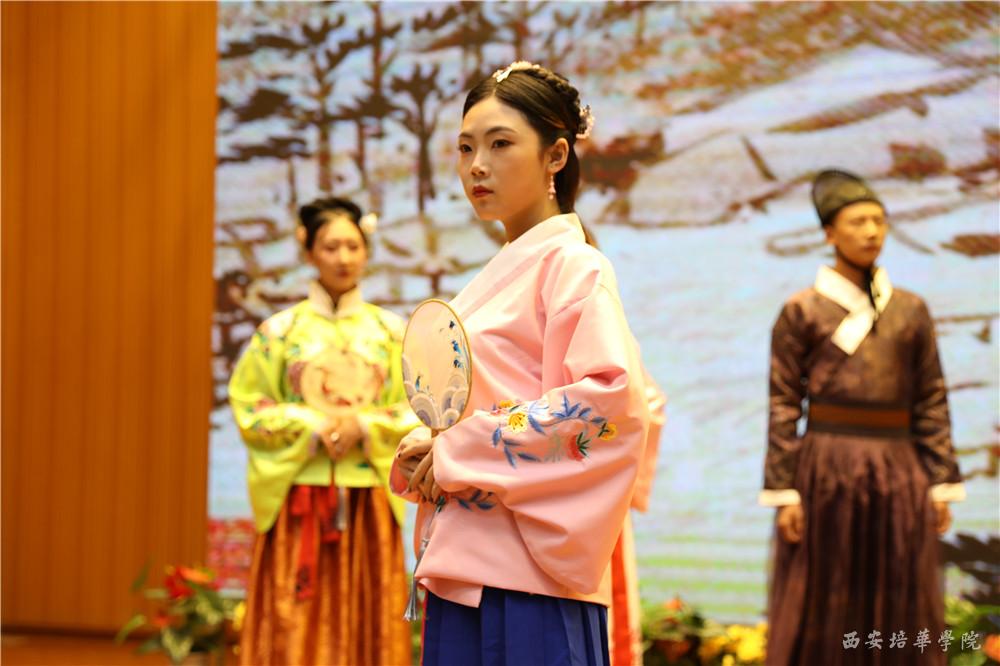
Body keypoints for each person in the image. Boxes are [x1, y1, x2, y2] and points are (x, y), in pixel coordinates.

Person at [391, 61, 651, 666]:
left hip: (530, 575)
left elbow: (608, 404)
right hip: (469, 565)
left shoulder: (576, 265)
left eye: (500, 144)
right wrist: (430, 447)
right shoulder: (503, 272)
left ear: (556, 155)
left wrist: (457, 449)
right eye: (465, 148)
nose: (476, 166)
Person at [760, 170, 965, 665]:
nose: (872, 231)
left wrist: (940, 480)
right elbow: (784, 403)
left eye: (879, 220)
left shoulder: (911, 310)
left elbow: (931, 398)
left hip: (900, 466)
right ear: (830, 234)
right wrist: (786, 491)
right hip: (827, 466)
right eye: (857, 222)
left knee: (901, 587)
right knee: (826, 589)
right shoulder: (802, 310)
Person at [228, 197, 419, 666]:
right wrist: (311, 426)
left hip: (368, 497)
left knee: (370, 616)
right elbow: (250, 406)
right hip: (300, 497)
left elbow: (418, 408)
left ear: (367, 251)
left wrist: (364, 425)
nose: (343, 258)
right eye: (331, 247)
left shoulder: (392, 332)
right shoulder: (279, 332)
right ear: (308, 251)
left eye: (353, 246)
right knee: (293, 618)